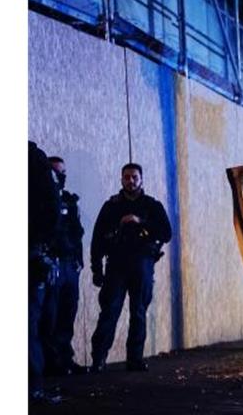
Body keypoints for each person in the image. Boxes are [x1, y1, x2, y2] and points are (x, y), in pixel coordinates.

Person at [89, 163, 172, 372]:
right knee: (109, 312)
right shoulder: (111, 206)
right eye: (126, 177)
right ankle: (98, 360)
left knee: (138, 313)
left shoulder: (152, 206)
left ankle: (134, 359)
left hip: (142, 265)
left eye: (134, 177)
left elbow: (166, 233)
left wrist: (141, 223)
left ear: (141, 179)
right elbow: (97, 239)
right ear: (121, 179)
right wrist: (96, 268)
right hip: (116, 265)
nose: (130, 181)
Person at [40, 156, 86, 375]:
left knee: (68, 313)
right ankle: (51, 362)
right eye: (56, 172)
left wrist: (79, 261)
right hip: (53, 263)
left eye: (63, 173)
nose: (60, 177)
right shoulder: (39, 200)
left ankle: (65, 359)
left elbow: (77, 233)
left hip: (70, 264)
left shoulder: (69, 200)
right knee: (50, 315)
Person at [29, 141, 62, 403]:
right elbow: (51, 211)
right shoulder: (35, 159)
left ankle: (33, 386)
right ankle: (33, 387)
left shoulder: (33, 159)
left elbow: (51, 212)